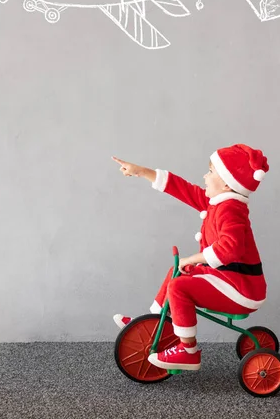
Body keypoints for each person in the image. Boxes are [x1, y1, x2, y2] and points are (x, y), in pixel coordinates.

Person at [111, 144, 269, 371]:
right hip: (228, 278)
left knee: (179, 287)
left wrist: (192, 259)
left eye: (211, 171)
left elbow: (230, 249)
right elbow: (183, 189)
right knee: (177, 272)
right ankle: (154, 325)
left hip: (241, 288)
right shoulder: (217, 203)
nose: (205, 176)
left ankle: (188, 351)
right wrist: (142, 171)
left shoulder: (231, 209)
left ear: (226, 183)